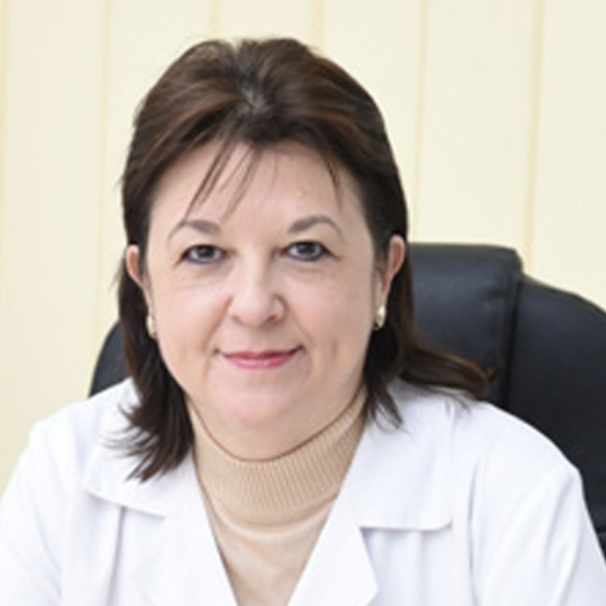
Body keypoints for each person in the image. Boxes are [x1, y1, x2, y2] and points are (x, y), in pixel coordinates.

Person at [1, 37, 605, 606]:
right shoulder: (64, 479)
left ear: (383, 273)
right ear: (146, 285)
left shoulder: (511, 496)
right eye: (204, 253)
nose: (253, 305)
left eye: (306, 250)